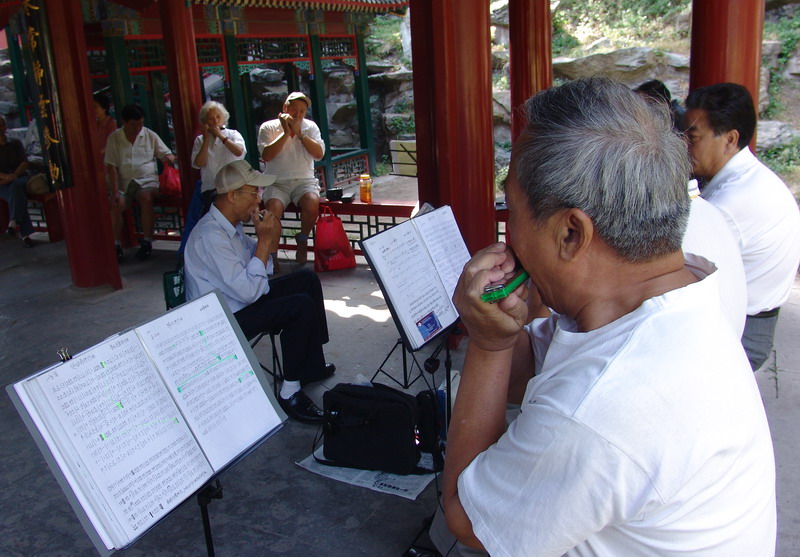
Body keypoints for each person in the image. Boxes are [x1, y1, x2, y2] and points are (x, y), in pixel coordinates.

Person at [441, 78, 776, 556]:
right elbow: (525, 377)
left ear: (572, 234)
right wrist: (501, 331)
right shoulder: (680, 289)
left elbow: (469, 520)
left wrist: (488, 345)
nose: (507, 232)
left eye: (511, 210)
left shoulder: (600, 407)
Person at [183, 159, 335, 424]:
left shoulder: (231, 225)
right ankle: (290, 393)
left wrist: (267, 241)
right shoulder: (211, 236)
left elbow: (257, 266)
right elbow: (250, 290)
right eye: (255, 193)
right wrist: (266, 242)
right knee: (298, 306)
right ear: (232, 195)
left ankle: (309, 365)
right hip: (221, 318)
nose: (259, 201)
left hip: (240, 300)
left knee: (306, 280)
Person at [684, 83, 800, 370]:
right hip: (754, 320)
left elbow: (677, 271)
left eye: (693, 137)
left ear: (729, 139)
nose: (684, 145)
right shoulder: (751, 178)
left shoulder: (733, 203)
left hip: (744, 333)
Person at [258, 91, 325, 267]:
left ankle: (302, 240)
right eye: (294, 109)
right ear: (284, 108)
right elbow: (267, 156)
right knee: (272, 210)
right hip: (276, 181)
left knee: (312, 203)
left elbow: (319, 154)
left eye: (302, 111)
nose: (298, 114)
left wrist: (301, 135)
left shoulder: (310, 127)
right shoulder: (268, 127)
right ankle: (273, 255)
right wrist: (287, 132)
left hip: (304, 181)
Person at [104, 103, 176, 262]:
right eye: (133, 124)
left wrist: (169, 159)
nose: (138, 127)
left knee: (146, 198)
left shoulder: (149, 135)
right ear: (124, 122)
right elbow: (111, 167)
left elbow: (166, 154)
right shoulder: (115, 138)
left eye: (140, 123)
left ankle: (147, 241)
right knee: (116, 205)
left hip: (146, 181)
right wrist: (115, 192)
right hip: (124, 182)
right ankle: (116, 245)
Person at [178, 101, 246, 258]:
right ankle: (210, 250)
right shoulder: (200, 141)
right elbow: (198, 163)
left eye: (218, 117)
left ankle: (233, 247)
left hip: (232, 187)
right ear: (204, 122)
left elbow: (239, 152)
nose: (215, 121)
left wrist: (221, 137)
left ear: (224, 118)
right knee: (214, 208)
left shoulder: (233, 134)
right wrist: (207, 139)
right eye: (210, 118)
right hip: (211, 188)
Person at [0, 115, 35, 247]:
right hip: (3, 182)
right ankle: (24, 234)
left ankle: (14, 222)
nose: (0, 128)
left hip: (20, 178)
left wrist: (14, 175)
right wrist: (6, 177)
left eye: (2, 125)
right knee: (17, 196)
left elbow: (24, 163)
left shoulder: (15, 143)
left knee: (16, 188)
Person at [93, 92, 117, 160]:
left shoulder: (111, 123)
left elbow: (111, 144)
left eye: (95, 106)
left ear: (104, 108)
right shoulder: (95, 124)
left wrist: (98, 153)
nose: (93, 110)